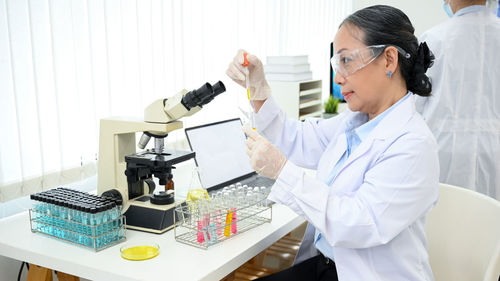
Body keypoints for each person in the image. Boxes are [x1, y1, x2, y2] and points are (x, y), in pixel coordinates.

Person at [226, 5, 439, 281]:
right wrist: (258, 86)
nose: (338, 77)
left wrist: (281, 170)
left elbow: (356, 224)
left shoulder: (413, 144)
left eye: (347, 61)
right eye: (336, 64)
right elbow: (298, 140)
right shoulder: (355, 121)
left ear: (388, 60)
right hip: (326, 266)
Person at [416, 0, 500, 200]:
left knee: (448, 222)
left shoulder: (433, 38)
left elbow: (416, 103)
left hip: (443, 150)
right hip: (495, 152)